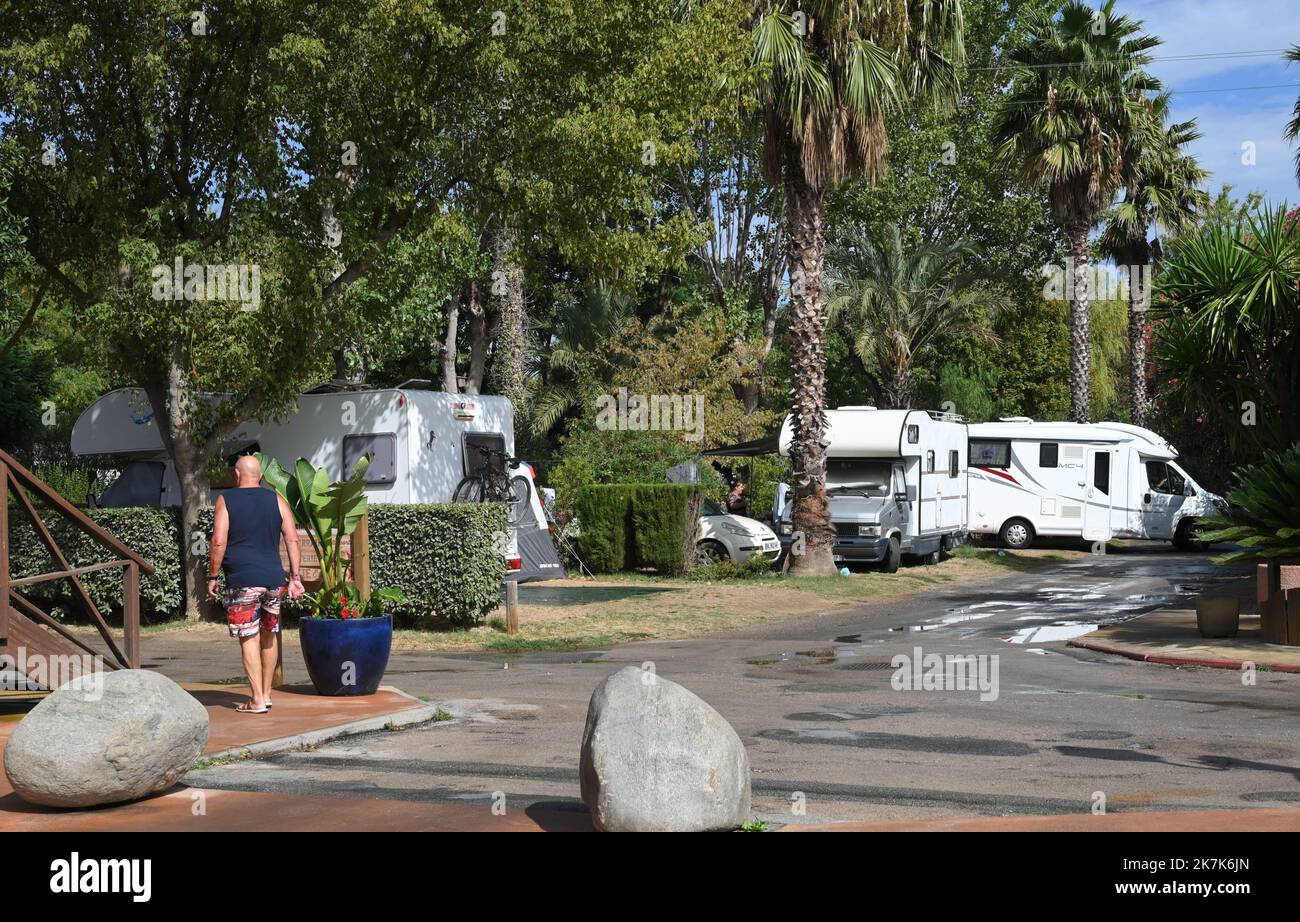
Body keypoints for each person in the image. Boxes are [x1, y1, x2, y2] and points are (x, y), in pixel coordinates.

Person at [207, 456, 304, 714]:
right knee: (269, 635)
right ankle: (267, 695)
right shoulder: (276, 499)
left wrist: (213, 575)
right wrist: (295, 578)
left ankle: (257, 700)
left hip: (242, 580)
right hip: (274, 580)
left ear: (237, 475)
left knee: (248, 637)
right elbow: (293, 539)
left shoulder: (226, 499)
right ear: (260, 476)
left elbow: (218, 540)